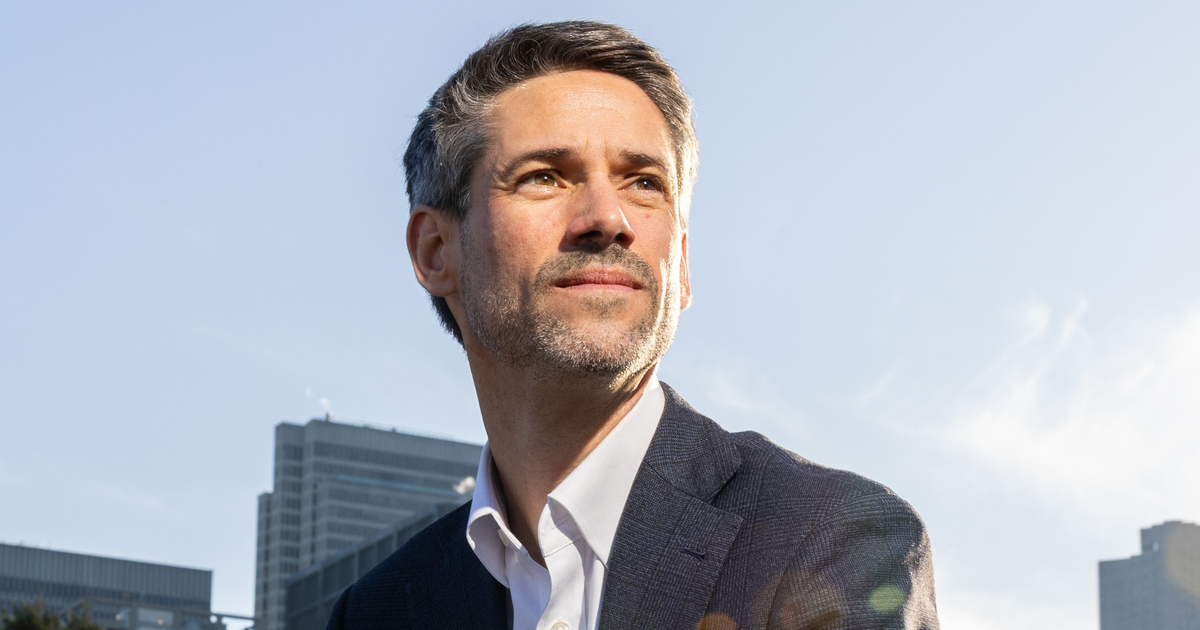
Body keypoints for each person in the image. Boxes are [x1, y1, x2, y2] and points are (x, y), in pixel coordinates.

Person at [326, 20, 939, 630]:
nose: (608, 218)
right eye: (545, 176)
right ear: (436, 250)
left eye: (644, 183)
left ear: (681, 266)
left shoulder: (832, 538)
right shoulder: (374, 613)